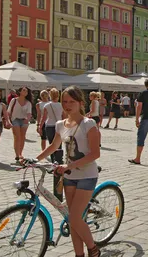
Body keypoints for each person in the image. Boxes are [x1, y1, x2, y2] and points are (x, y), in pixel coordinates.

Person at [35, 86, 101, 257]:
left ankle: (93, 248)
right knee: (72, 220)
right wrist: (35, 160)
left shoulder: (89, 124)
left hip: (86, 175)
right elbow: (53, 146)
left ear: (80, 103)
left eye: (72, 101)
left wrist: (68, 166)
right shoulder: (60, 125)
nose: (67, 105)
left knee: (75, 217)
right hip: (69, 177)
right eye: (65, 101)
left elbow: (95, 153)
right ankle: (79, 254)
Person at [8, 86, 33, 163]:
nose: (25, 92)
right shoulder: (14, 100)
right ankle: (17, 154)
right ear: (20, 92)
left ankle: (20, 153)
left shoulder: (28, 103)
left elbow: (29, 113)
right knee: (17, 137)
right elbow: (8, 111)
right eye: (24, 90)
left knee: (22, 137)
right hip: (15, 119)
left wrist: (27, 119)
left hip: (24, 120)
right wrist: (8, 121)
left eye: (27, 91)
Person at [41, 88, 65, 163]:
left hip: (49, 126)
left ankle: (53, 160)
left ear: (50, 95)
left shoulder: (47, 105)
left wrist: (39, 126)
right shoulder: (62, 105)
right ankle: (59, 160)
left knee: (51, 144)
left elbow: (44, 117)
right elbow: (63, 117)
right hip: (59, 126)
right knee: (59, 144)